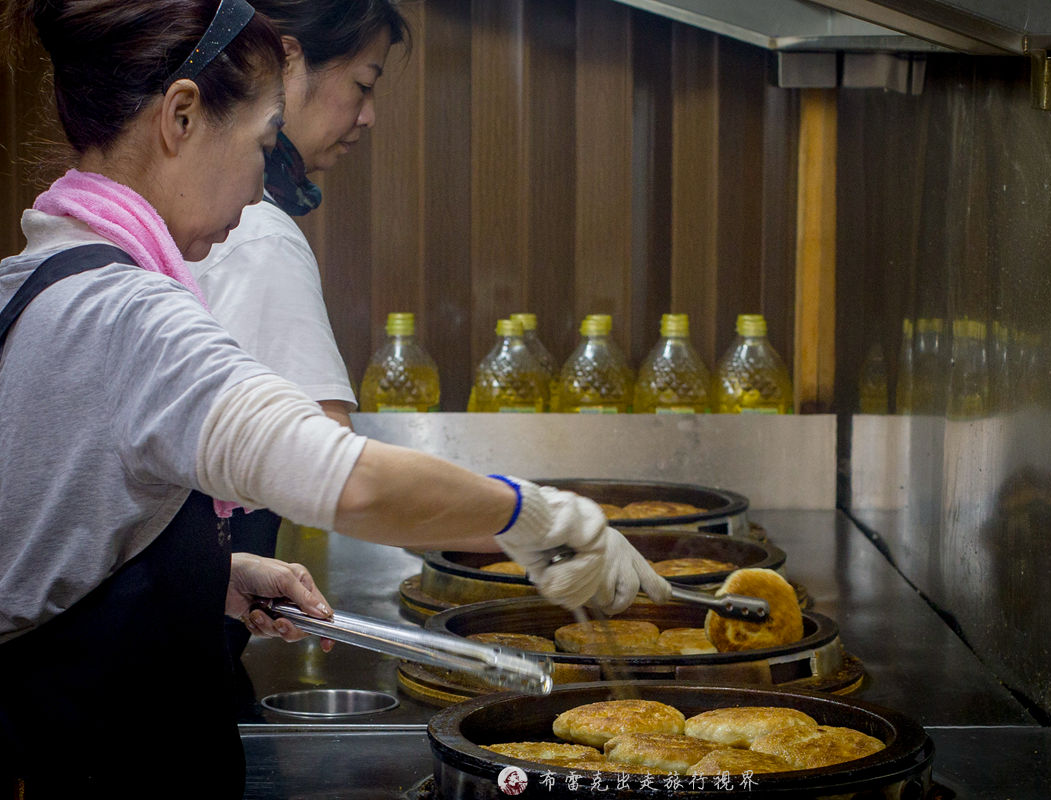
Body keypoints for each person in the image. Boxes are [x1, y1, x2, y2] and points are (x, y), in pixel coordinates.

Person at [0, 1, 670, 795]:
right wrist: (538, 517)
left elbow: (41, 538)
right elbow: (348, 481)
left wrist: (207, 573)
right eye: (259, 143)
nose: (258, 190)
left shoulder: (29, 283)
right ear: (181, 116)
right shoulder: (136, 317)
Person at [185, 0, 409, 687]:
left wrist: (224, 571)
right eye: (364, 84)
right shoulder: (257, 231)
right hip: (162, 680)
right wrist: (532, 523)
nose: (368, 115)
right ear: (284, 62)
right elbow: (336, 472)